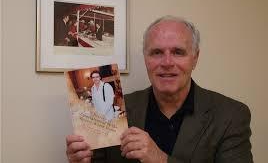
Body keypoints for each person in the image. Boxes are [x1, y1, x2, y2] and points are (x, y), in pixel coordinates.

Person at [66, 16, 253, 163]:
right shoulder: (120, 109)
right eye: (156, 53)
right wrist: (81, 161)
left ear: (195, 58)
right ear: (146, 58)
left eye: (178, 52)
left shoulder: (230, 115)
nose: (167, 63)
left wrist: (160, 159)